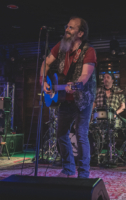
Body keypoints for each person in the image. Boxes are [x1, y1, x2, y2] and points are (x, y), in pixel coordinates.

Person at [40, 16, 97, 178]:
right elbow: (46, 63)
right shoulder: (61, 47)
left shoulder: (89, 50)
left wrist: (76, 84)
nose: (67, 29)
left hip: (83, 100)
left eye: (71, 28)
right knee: (61, 134)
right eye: (67, 26)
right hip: (65, 99)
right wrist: (43, 80)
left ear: (80, 33)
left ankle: (84, 173)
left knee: (81, 134)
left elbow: (85, 75)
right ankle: (68, 169)